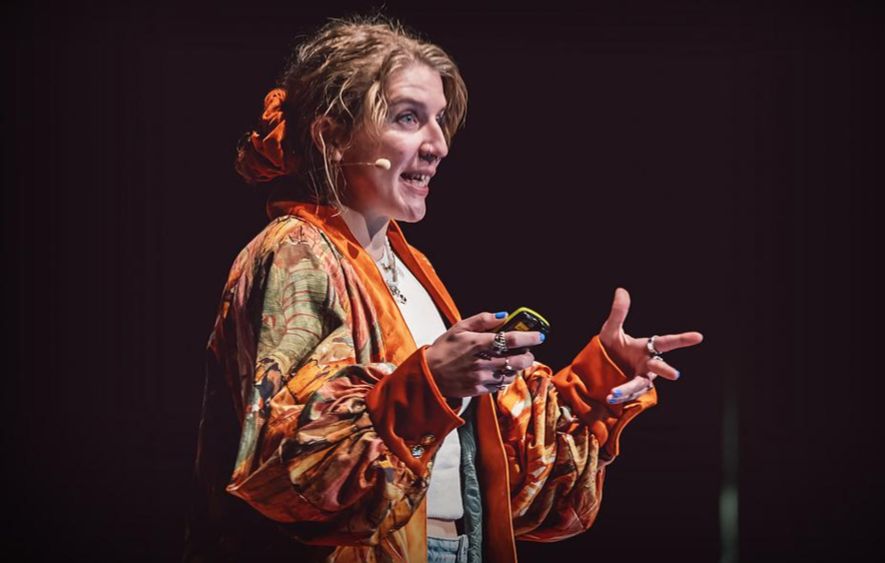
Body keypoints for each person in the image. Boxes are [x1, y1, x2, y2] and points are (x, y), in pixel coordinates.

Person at [183, 14, 704, 563]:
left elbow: (487, 467)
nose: (439, 145)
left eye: (438, 120)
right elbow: (293, 464)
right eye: (409, 118)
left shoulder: (411, 269)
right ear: (332, 136)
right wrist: (428, 384)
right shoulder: (296, 251)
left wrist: (597, 385)